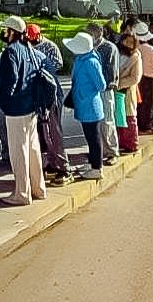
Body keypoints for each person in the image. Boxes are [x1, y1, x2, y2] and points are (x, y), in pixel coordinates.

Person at [0, 15, 46, 206]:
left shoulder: (10, 52)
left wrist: (2, 100)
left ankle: (22, 193)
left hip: (16, 109)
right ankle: (38, 188)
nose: (2, 32)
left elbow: (10, 82)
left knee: (18, 151)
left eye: (4, 29)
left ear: (11, 32)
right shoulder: (28, 49)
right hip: (31, 106)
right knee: (33, 149)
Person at [25, 23, 71, 184]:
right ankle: (52, 163)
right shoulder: (29, 49)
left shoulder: (49, 48)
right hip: (40, 96)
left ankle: (64, 168)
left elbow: (58, 65)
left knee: (54, 133)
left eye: (32, 38)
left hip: (51, 94)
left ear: (38, 35)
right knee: (44, 134)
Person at [63, 32, 105, 180]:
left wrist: (84, 92)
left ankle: (97, 168)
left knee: (94, 138)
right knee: (89, 137)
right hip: (84, 104)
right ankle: (93, 163)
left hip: (90, 105)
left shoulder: (90, 62)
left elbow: (101, 85)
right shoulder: (81, 59)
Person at [91, 22, 120, 163]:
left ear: (99, 33)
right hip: (92, 90)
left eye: (91, 34)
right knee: (96, 122)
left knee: (107, 121)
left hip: (105, 89)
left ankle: (112, 152)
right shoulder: (89, 47)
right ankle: (100, 149)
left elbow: (112, 72)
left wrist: (104, 84)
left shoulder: (109, 48)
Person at [115, 32, 142, 153]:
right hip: (115, 91)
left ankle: (132, 144)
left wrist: (120, 83)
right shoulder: (116, 53)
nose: (128, 44)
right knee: (118, 117)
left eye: (131, 42)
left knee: (129, 117)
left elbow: (135, 78)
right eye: (126, 41)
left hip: (128, 91)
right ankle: (120, 142)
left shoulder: (136, 57)